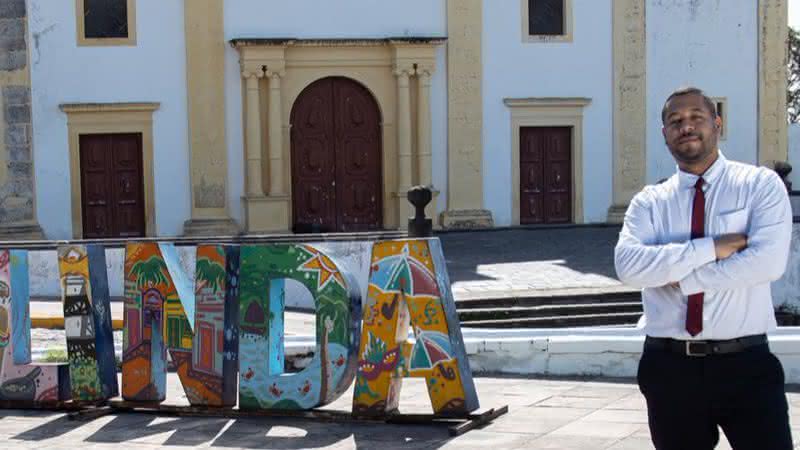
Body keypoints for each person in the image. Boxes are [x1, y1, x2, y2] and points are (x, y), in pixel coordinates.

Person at [614, 86, 794, 449]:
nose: (687, 126)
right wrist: (713, 247)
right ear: (664, 133)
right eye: (675, 120)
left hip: (745, 363)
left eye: (697, 117)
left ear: (717, 124)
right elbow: (629, 267)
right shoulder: (650, 202)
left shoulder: (758, 186)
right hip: (669, 368)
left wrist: (683, 277)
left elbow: (767, 263)